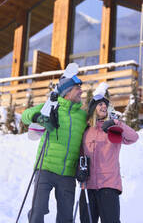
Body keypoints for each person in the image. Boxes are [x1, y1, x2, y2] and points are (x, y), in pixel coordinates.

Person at [21, 64, 87, 223]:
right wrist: (38, 117)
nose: (81, 91)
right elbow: (25, 115)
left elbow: (90, 138)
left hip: (68, 174)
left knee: (65, 217)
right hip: (46, 167)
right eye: (78, 88)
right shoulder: (51, 107)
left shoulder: (83, 116)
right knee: (37, 212)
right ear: (67, 92)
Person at [79, 84, 139, 223]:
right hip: (88, 186)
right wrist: (79, 170)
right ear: (93, 108)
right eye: (100, 104)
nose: (104, 107)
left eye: (105, 105)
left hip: (108, 186)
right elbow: (81, 156)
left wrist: (117, 123)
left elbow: (133, 137)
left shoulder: (113, 129)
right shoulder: (86, 132)